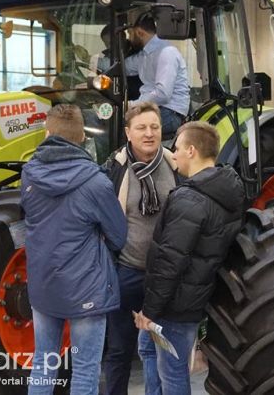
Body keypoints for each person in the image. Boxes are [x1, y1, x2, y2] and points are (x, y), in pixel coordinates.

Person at [21, 104, 127, 395]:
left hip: (44, 285)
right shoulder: (96, 182)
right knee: (85, 369)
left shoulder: (29, 175)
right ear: (83, 137)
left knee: (43, 363)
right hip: (86, 289)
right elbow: (119, 235)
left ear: (47, 133)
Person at [134, 121, 244, 395]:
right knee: (148, 350)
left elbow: (171, 261)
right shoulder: (226, 190)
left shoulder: (190, 200)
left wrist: (150, 310)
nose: (174, 154)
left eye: (177, 148)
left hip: (174, 305)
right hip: (190, 299)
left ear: (192, 151)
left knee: (172, 374)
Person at [102, 102, 179, 395]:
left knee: (161, 351)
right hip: (126, 272)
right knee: (119, 349)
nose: (149, 134)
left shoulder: (175, 165)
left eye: (155, 127)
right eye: (141, 128)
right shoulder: (115, 168)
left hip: (164, 277)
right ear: (128, 133)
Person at [125, 14, 190, 138]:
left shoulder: (166, 53)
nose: (129, 38)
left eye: (130, 33)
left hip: (170, 112)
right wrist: (94, 61)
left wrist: (132, 105)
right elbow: (124, 67)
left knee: (124, 127)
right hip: (157, 109)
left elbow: (162, 94)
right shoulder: (145, 55)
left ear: (139, 33)